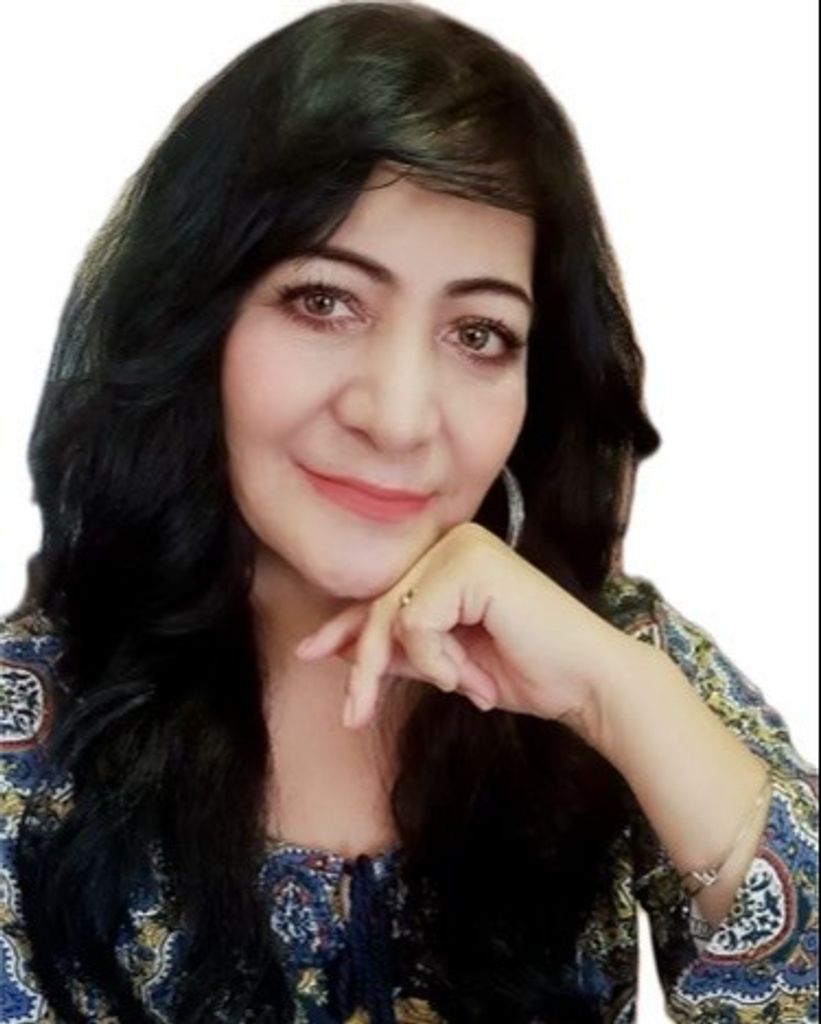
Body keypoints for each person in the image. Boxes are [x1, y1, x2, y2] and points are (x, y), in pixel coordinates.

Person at [0, 2, 816, 1022]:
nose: (396, 417)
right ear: (195, 325)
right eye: (323, 301)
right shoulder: (27, 729)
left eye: (478, 334)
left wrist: (618, 699)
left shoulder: (618, 656)